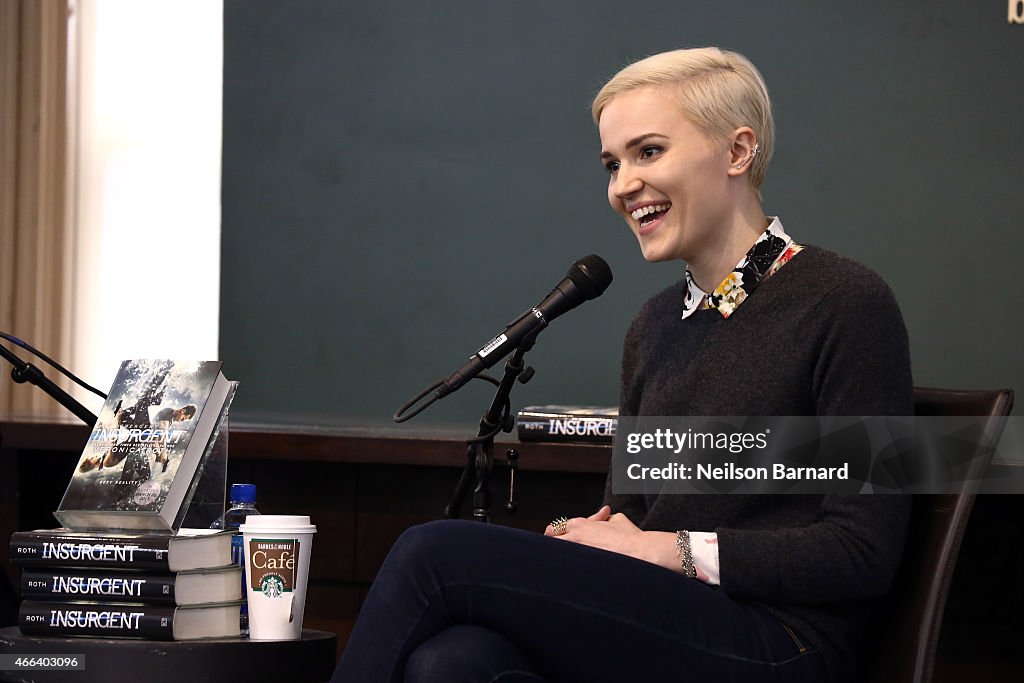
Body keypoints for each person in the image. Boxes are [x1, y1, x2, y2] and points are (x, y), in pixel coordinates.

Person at [330, 47, 912, 683]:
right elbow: (630, 517)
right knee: (454, 662)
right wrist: (595, 536)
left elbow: (862, 552)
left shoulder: (846, 303)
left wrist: (665, 549)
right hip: (670, 621)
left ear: (737, 152)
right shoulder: (654, 327)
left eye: (649, 152)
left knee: (432, 553)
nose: (622, 185)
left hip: (782, 642)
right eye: (612, 164)